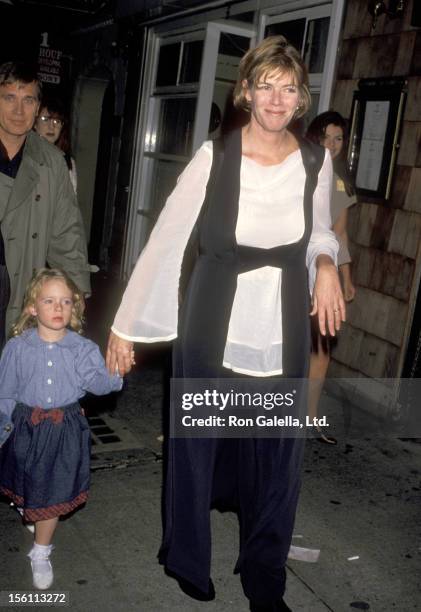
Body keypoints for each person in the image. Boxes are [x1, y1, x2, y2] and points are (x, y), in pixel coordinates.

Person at [106, 36, 345, 612]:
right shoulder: (217, 155)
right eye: (266, 85)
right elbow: (167, 238)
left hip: (282, 317)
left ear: (300, 99)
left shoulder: (316, 159)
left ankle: (265, 576)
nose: (276, 98)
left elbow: (319, 230)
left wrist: (327, 262)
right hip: (216, 311)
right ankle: (188, 557)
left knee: (278, 450)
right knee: (199, 439)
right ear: (247, 91)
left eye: (288, 88)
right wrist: (125, 326)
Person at [0, 268, 123, 590]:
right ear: (32, 308)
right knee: (27, 484)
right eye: (50, 301)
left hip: (64, 429)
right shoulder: (17, 348)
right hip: (26, 427)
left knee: (51, 490)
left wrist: (115, 370)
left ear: (75, 308)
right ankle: (33, 509)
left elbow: (99, 385)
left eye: (66, 302)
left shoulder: (82, 349)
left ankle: (40, 552)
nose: (58, 308)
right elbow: (6, 392)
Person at [0, 61, 90, 349]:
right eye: (9, 98)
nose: (18, 110)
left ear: (38, 106)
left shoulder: (51, 162)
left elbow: (67, 235)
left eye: (28, 100)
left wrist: (75, 294)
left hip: (22, 285)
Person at [306, 111, 357, 444]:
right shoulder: (302, 171)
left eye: (338, 138)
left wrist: (346, 278)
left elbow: (341, 235)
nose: (332, 145)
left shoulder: (340, 183)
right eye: (326, 137)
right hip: (298, 265)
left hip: (326, 273)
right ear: (314, 137)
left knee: (322, 348)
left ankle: (308, 419)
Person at [34, 96, 78, 194]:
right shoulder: (23, 154)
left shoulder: (67, 162)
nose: (51, 126)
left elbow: (71, 199)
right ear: (35, 123)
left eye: (57, 121)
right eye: (45, 119)